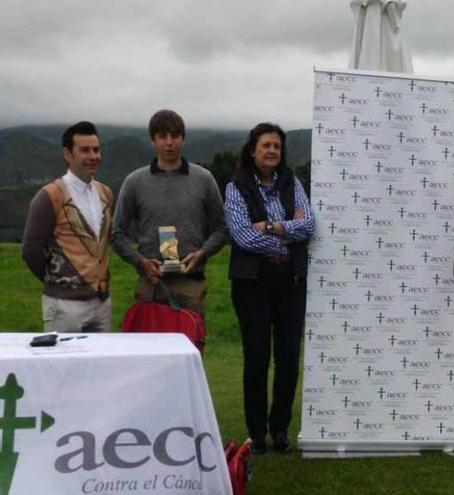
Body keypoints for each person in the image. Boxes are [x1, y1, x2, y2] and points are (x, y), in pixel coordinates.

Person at [225, 123, 314, 454]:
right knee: (257, 357)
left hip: (290, 281)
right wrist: (287, 234)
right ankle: (257, 433)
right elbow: (242, 236)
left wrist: (274, 227)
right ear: (252, 150)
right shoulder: (237, 187)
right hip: (253, 284)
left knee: (289, 358)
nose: (272, 151)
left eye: (277, 145)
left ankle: (280, 430)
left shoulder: (294, 183)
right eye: (266, 145)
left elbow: (308, 227)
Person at [111, 109, 227, 315]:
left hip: (191, 285)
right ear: (153, 141)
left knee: (191, 346)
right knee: (150, 347)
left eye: (175, 136)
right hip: (152, 285)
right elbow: (117, 233)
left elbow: (222, 228)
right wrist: (141, 261)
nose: (169, 142)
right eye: (162, 136)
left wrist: (202, 253)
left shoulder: (204, 179)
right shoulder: (134, 182)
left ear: (183, 139)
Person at [22, 121, 113, 332]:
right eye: (85, 150)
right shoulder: (49, 196)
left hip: (101, 303)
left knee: (100, 364)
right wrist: (57, 280)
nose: (93, 156)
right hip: (65, 306)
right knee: (63, 365)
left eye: (96, 150)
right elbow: (30, 251)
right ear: (68, 154)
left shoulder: (105, 193)